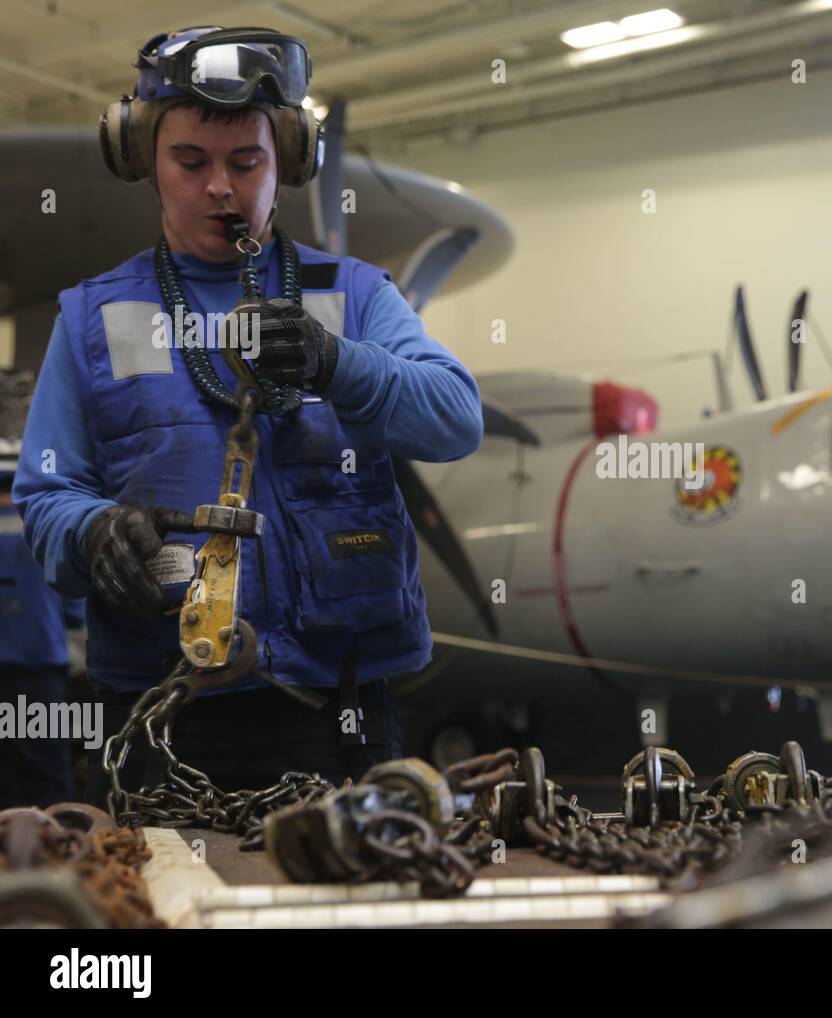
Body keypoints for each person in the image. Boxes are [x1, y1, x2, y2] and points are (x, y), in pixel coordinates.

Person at [11, 26, 483, 805]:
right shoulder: (91, 317)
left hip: (340, 711)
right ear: (144, 161)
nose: (221, 189)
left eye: (246, 162)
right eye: (190, 162)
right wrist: (94, 534)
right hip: (161, 716)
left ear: (289, 162)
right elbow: (47, 496)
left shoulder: (356, 295)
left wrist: (337, 362)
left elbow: (455, 419)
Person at [0, 372, 84, 807]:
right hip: (40, 665)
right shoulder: (48, 502)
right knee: (47, 783)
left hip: (37, 664)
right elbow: (74, 603)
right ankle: (56, 863)